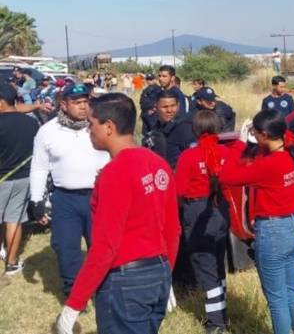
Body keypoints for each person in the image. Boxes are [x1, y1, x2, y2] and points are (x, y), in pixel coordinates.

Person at [55, 93, 180, 334]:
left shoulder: (115, 173)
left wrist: (73, 304)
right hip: (158, 273)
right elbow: (172, 229)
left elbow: (105, 246)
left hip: (126, 282)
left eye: (91, 124)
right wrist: (167, 273)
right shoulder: (158, 164)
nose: (88, 131)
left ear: (109, 127)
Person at [220, 110, 294, 334]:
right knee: (290, 291)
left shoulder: (268, 166)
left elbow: (227, 176)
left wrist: (239, 145)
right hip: (293, 227)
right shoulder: (289, 152)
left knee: (276, 299)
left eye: (255, 133)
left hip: (273, 232)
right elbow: (262, 155)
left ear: (265, 135)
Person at [28, 83, 110, 296]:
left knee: (102, 246)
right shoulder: (47, 131)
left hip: (99, 196)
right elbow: (39, 167)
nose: (83, 106)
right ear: (63, 105)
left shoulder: (101, 125)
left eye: (86, 101)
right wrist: (36, 199)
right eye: (77, 102)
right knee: (66, 247)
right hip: (65, 199)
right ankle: (74, 293)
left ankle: (104, 288)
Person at [174, 110, 233, 334]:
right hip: (220, 208)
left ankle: (216, 324)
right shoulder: (225, 152)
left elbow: (178, 190)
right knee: (218, 263)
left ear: (195, 130)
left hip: (198, 210)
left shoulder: (189, 156)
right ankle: (223, 314)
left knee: (205, 267)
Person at [0, 84, 40, 275]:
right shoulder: (31, 123)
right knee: (14, 220)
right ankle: (12, 262)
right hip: (23, 178)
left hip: (2, 179)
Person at [143, 89, 195, 169]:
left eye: (173, 106)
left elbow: (193, 160)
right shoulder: (155, 129)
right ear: (156, 107)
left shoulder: (185, 128)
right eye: (165, 107)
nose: (169, 110)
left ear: (178, 106)